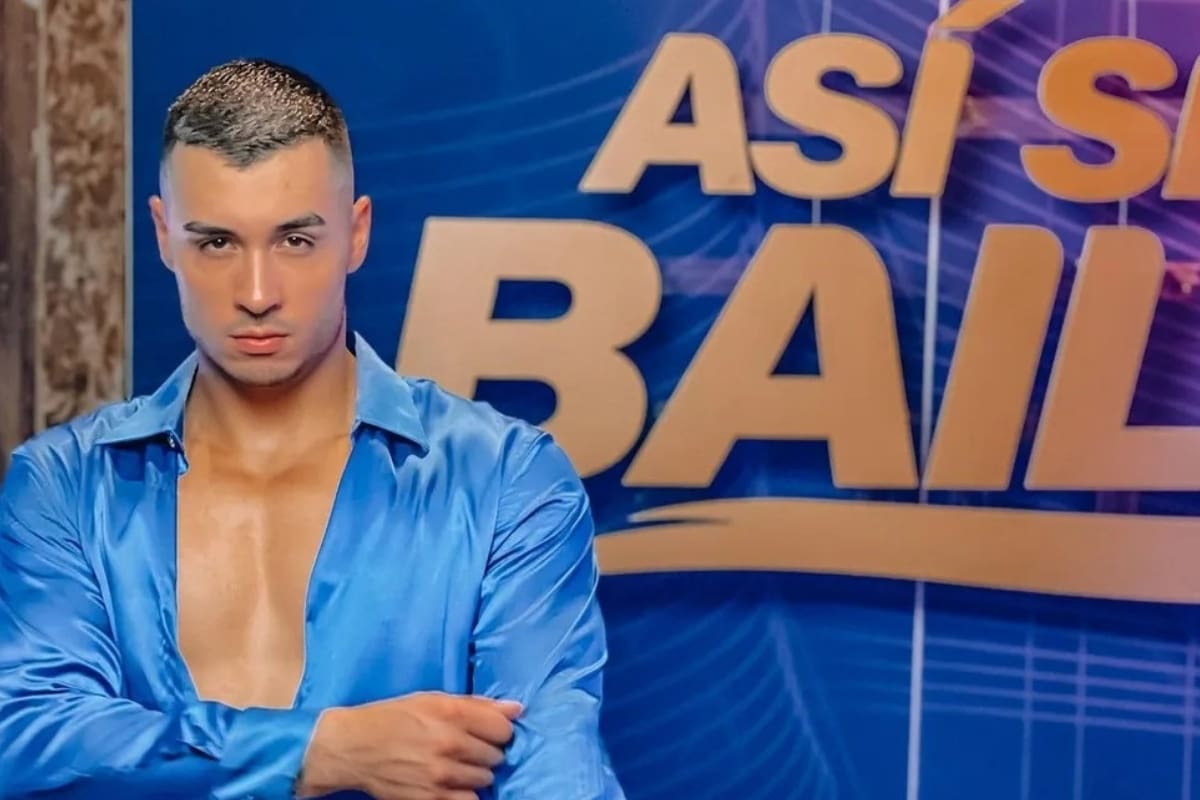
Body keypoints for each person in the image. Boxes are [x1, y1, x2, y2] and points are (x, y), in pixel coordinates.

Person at [0, 58, 624, 800]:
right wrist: (321, 751)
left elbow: (554, 767)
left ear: (356, 234)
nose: (257, 292)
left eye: (295, 241)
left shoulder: (504, 478)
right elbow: (30, 737)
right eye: (216, 243)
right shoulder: (65, 484)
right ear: (164, 236)